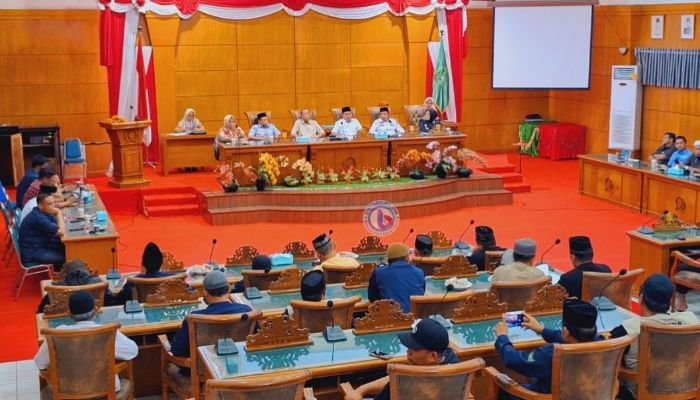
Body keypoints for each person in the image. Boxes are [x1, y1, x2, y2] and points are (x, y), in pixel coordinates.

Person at [609, 274, 698, 400]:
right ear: (670, 299)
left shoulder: (628, 328)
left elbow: (606, 359)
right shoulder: (692, 320)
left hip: (638, 395)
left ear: (640, 298)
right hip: (685, 392)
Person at [34, 291, 138, 397]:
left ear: (69, 313)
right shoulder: (107, 331)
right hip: (106, 393)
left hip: (65, 394)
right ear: (96, 311)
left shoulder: (57, 334)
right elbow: (133, 351)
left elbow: (39, 363)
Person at [493, 300, 600, 398]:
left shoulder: (553, 353)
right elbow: (566, 338)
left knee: (504, 391)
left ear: (566, 332)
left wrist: (502, 337)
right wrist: (542, 330)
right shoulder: (602, 342)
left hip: (546, 396)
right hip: (590, 395)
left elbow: (514, 360)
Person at [344, 318, 460, 400]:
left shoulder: (407, 381)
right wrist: (363, 389)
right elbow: (395, 377)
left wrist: (356, 392)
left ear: (433, 356)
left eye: (414, 348)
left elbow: (396, 380)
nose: (408, 351)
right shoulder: (454, 364)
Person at [167, 270, 252, 380]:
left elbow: (177, 350)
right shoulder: (246, 312)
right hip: (240, 368)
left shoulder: (194, 318)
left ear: (205, 292)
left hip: (202, 372)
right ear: (229, 289)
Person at [37, 259, 120, 313]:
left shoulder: (57, 287)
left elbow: (42, 310)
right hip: (95, 318)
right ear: (85, 270)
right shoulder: (98, 282)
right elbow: (112, 302)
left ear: (66, 273)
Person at [368, 243, 425, 313]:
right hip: (417, 318)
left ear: (388, 260)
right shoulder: (419, 272)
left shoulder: (378, 272)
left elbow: (372, 298)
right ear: (407, 258)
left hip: (392, 320)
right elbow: (422, 292)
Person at [18, 192, 65, 269]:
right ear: (40, 206)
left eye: (54, 202)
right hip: (33, 252)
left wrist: (59, 223)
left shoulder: (45, 212)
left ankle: (59, 271)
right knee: (63, 257)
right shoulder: (38, 218)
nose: (53, 206)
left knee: (63, 247)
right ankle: (58, 276)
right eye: (50, 204)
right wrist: (58, 212)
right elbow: (61, 231)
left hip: (42, 244)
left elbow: (57, 225)